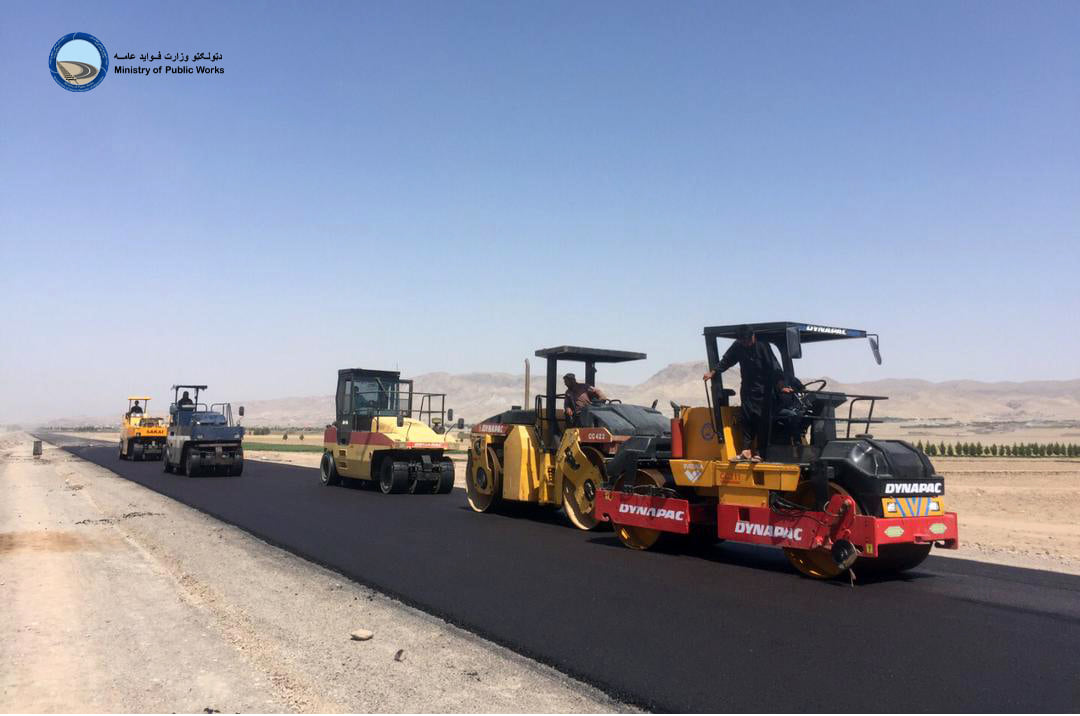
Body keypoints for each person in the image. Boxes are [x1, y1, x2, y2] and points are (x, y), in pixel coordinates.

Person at [703, 325, 796, 462]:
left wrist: (781, 386)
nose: (746, 344)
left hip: (765, 391)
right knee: (746, 420)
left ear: (753, 336)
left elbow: (774, 367)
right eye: (743, 341)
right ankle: (746, 451)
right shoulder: (738, 346)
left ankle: (760, 453)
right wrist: (714, 372)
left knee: (762, 421)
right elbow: (726, 360)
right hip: (747, 390)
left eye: (747, 340)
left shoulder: (762, 346)